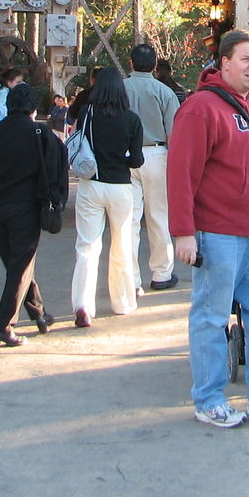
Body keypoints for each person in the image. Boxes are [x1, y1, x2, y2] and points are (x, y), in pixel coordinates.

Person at [169, 29, 249, 428]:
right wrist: (183, 232)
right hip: (217, 234)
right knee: (211, 316)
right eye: (245, 59)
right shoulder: (201, 108)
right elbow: (181, 173)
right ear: (223, 63)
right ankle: (208, 399)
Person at [0, 82, 65, 346]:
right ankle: (2, 326)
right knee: (20, 266)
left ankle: (39, 313)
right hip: (25, 208)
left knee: (16, 264)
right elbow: (57, 166)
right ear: (33, 108)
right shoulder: (38, 133)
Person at [70, 67, 145, 326]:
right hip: (120, 187)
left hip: (91, 184)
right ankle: (122, 302)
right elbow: (136, 160)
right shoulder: (132, 120)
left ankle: (82, 305)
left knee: (87, 246)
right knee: (122, 244)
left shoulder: (86, 113)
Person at [124, 43, 182, 291]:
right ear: (155, 65)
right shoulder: (164, 92)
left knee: (128, 219)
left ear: (131, 62)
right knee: (158, 216)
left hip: (124, 156)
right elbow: (174, 132)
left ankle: (130, 278)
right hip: (157, 154)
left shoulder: (119, 89)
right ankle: (161, 273)